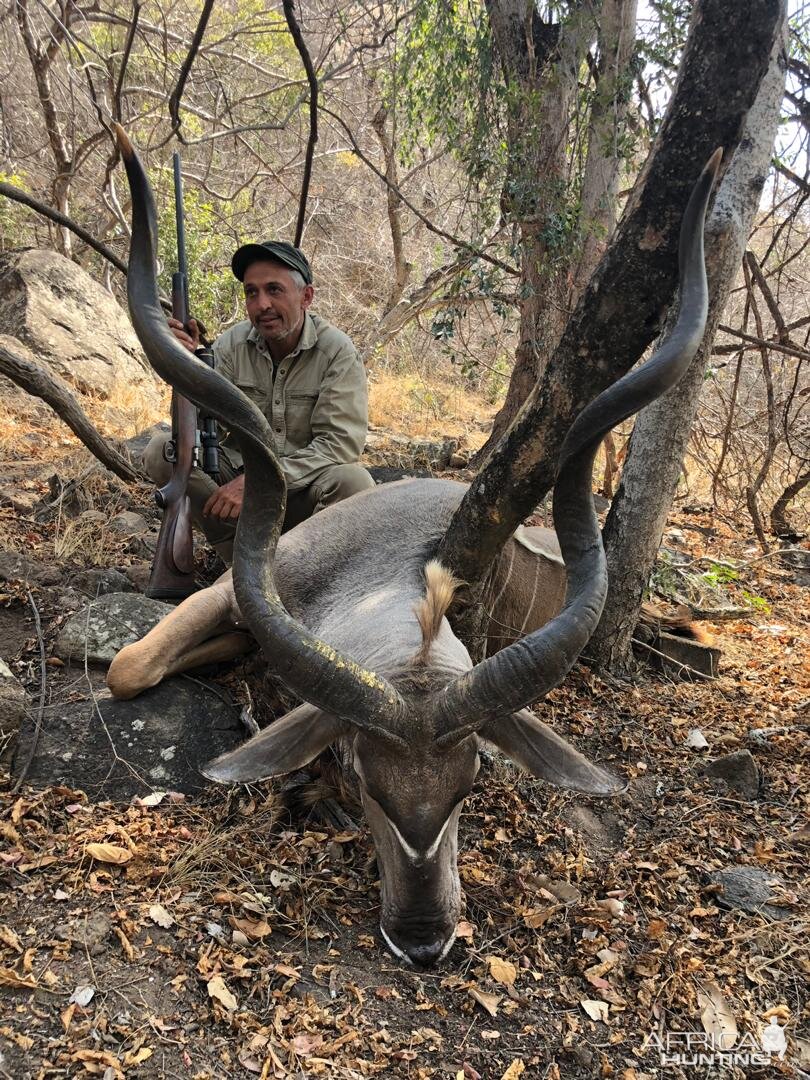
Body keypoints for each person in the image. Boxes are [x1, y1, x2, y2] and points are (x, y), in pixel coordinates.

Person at [143, 240, 374, 564]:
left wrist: (258, 483)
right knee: (162, 450)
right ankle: (236, 557)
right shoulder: (230, 346)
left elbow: (340, 444)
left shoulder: (336, 352)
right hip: (236, 505)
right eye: (252, 293)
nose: (262, 304)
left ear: (306, 296)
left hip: (300, 497)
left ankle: (310, 568)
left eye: (274, 290)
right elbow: (192, 424)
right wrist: (185, 367)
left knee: (354, 481)